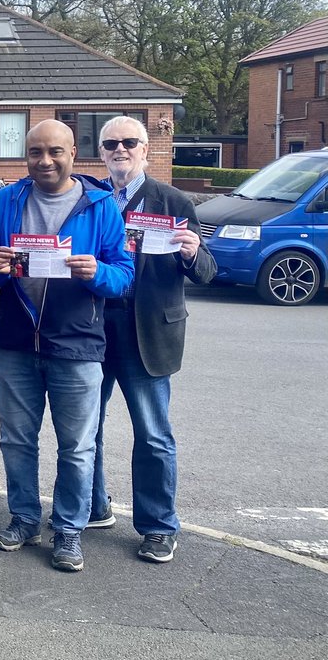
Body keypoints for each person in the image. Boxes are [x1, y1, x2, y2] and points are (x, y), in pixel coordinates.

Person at [0, 119, 133, 573]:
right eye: (35, 152)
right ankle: (24, 519)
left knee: (77, 446)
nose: (45, 161)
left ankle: (68, 530)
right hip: (15, 341)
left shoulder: (100, 205)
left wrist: (96, 273)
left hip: (77, 343)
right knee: (17, 440)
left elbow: (124, 275)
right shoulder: (8, 199)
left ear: (72, 153)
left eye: (55, 152)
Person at [90, 116, 216, 564]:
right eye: (111, 144)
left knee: (153, 434)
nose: (120, 150)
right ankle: (94, 505)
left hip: (147, 332)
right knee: (87, 428)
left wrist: (191, 251)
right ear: (101, 151)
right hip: (94, 329)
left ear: (146, 149)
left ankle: (159, 526)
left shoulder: (172, 200)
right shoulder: (93, 198)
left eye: (129, 143)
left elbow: (206, 270)